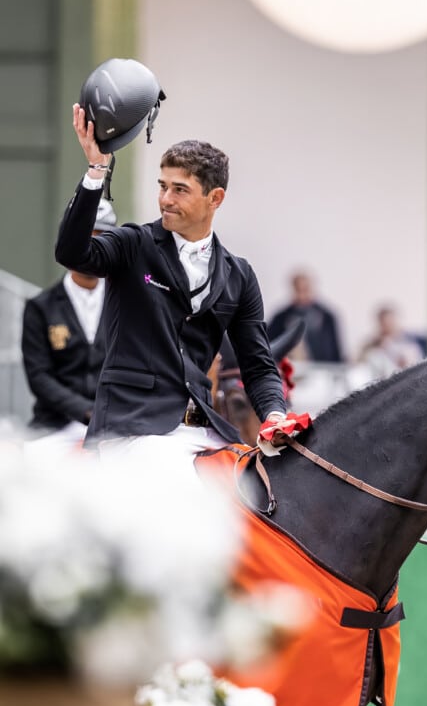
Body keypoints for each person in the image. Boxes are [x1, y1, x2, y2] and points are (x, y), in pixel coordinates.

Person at [54, 102, 301, 455]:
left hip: (204, 433)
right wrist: (96, 170)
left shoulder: (240, 275)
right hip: (130, 431)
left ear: (215, 198)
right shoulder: (132, 244)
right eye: (162, 186)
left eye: (179, 190)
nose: (165, 200)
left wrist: (276, 415)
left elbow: (258, 367)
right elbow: (71, 254)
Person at [21, 199, 118, 447]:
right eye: (87, 237)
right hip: (54, 426)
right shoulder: (41, 307)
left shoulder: (124, 304)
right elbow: (39, 376)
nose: (93, 247)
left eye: (103, 238)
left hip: (115, 425)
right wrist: (86, 411)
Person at [268, 271, 344, 363]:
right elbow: (270, 346)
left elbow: (336, 351)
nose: (302, 296)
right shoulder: (280, 318)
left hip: (322, 370)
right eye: (298, 290)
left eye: (305, 289)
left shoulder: (327, 317)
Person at [359, 304, 426, 379]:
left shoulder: (409, 343)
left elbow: (412, 365)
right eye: (384, 324)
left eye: (390, 323)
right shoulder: (372, 344)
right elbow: (359, 364)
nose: (388, 327)